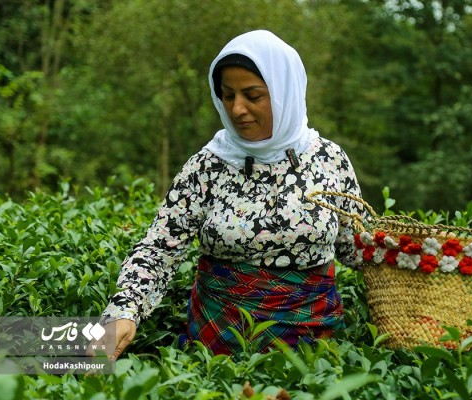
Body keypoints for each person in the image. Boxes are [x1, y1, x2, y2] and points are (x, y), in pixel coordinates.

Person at [99, 30, 365, 358]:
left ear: (285, 93)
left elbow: (359, 250)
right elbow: (160, 247)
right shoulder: (208, 165)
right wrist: (123, 313)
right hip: (219, 347)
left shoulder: (329, 160)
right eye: (228, 95)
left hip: (316, 347)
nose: (237, 109)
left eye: (252, 96)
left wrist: (421, 259)